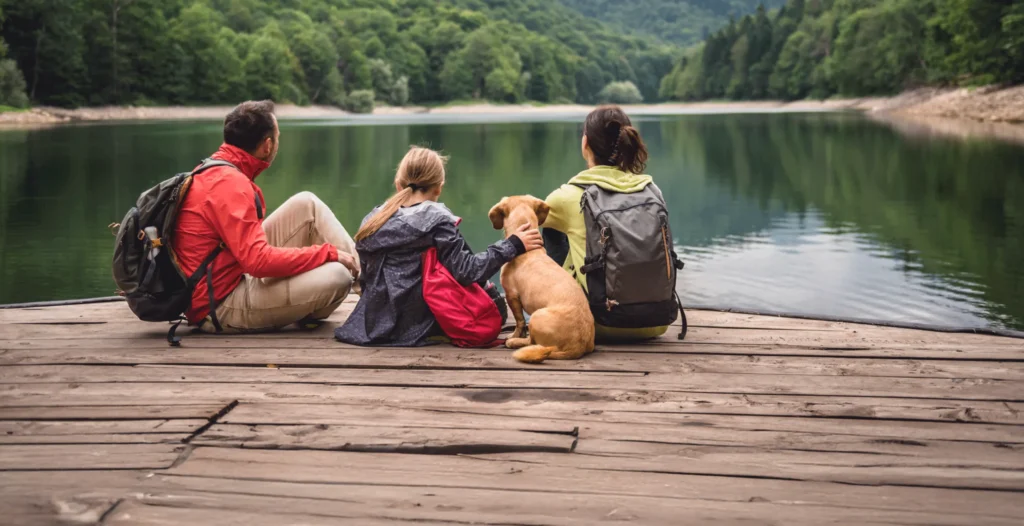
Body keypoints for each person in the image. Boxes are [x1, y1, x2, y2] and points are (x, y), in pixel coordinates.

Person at [175, 100, 360, 333]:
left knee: (307, 204)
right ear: (267, 145)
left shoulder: (214, 169)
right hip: (219, 305)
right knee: (337, 276)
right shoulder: (231, 185)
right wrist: (327, 253)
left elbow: (250, 256)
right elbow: (258, 263)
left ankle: (370, 285)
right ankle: (368, 288)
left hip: (229, 273)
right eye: (278, 138)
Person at [335, 146, 543, 347]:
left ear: (398, 184)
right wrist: (512, 245)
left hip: (371, 322)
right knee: (492, 300)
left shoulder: (372, 220)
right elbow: (468, 271)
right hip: (417, 324)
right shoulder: (436, 221)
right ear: (439, 187)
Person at [542, 105, 672, 342]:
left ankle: (550, 310)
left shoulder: (568, 196)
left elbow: (527, 222)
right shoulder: (653, 191)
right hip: (657, 321)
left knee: (550, 228)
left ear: (585, 144)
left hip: (597, 322)